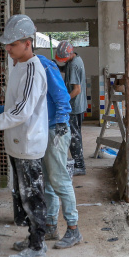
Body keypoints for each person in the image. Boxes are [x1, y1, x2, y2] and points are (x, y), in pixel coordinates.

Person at [0, 15, 49, 257]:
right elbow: (14, 107)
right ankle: (32, 239)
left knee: (32, 197)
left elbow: (21, 112)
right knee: (24, 195)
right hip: (18, 144)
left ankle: (38, 247)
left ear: (28, 43)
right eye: (6, 44)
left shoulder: (33, 71)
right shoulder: (19, 66)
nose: (7, 48)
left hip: (28, 145)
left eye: (12, 44)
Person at [0, 51, 82, 249]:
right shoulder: (25, 68)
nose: (12, 59)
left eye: (14, 51)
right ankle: (50, 227)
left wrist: (62, 121)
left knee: (59, 180)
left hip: (55, 129)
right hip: (43, 130)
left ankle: (74, 230)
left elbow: (62, 95)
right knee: (47, 182)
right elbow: (22, 107)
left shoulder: (43, 66)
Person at [55, 41, 87, 176]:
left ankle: (80, 166)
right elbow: (66, 68)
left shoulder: (74, 65)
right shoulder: (74, 59)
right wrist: (57, 66)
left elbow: (77, 90)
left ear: (69, 54)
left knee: (74, 136)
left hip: (74, 107)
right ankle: (78, 163)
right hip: (79, 105)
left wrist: (64, 101)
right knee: (76, 134)